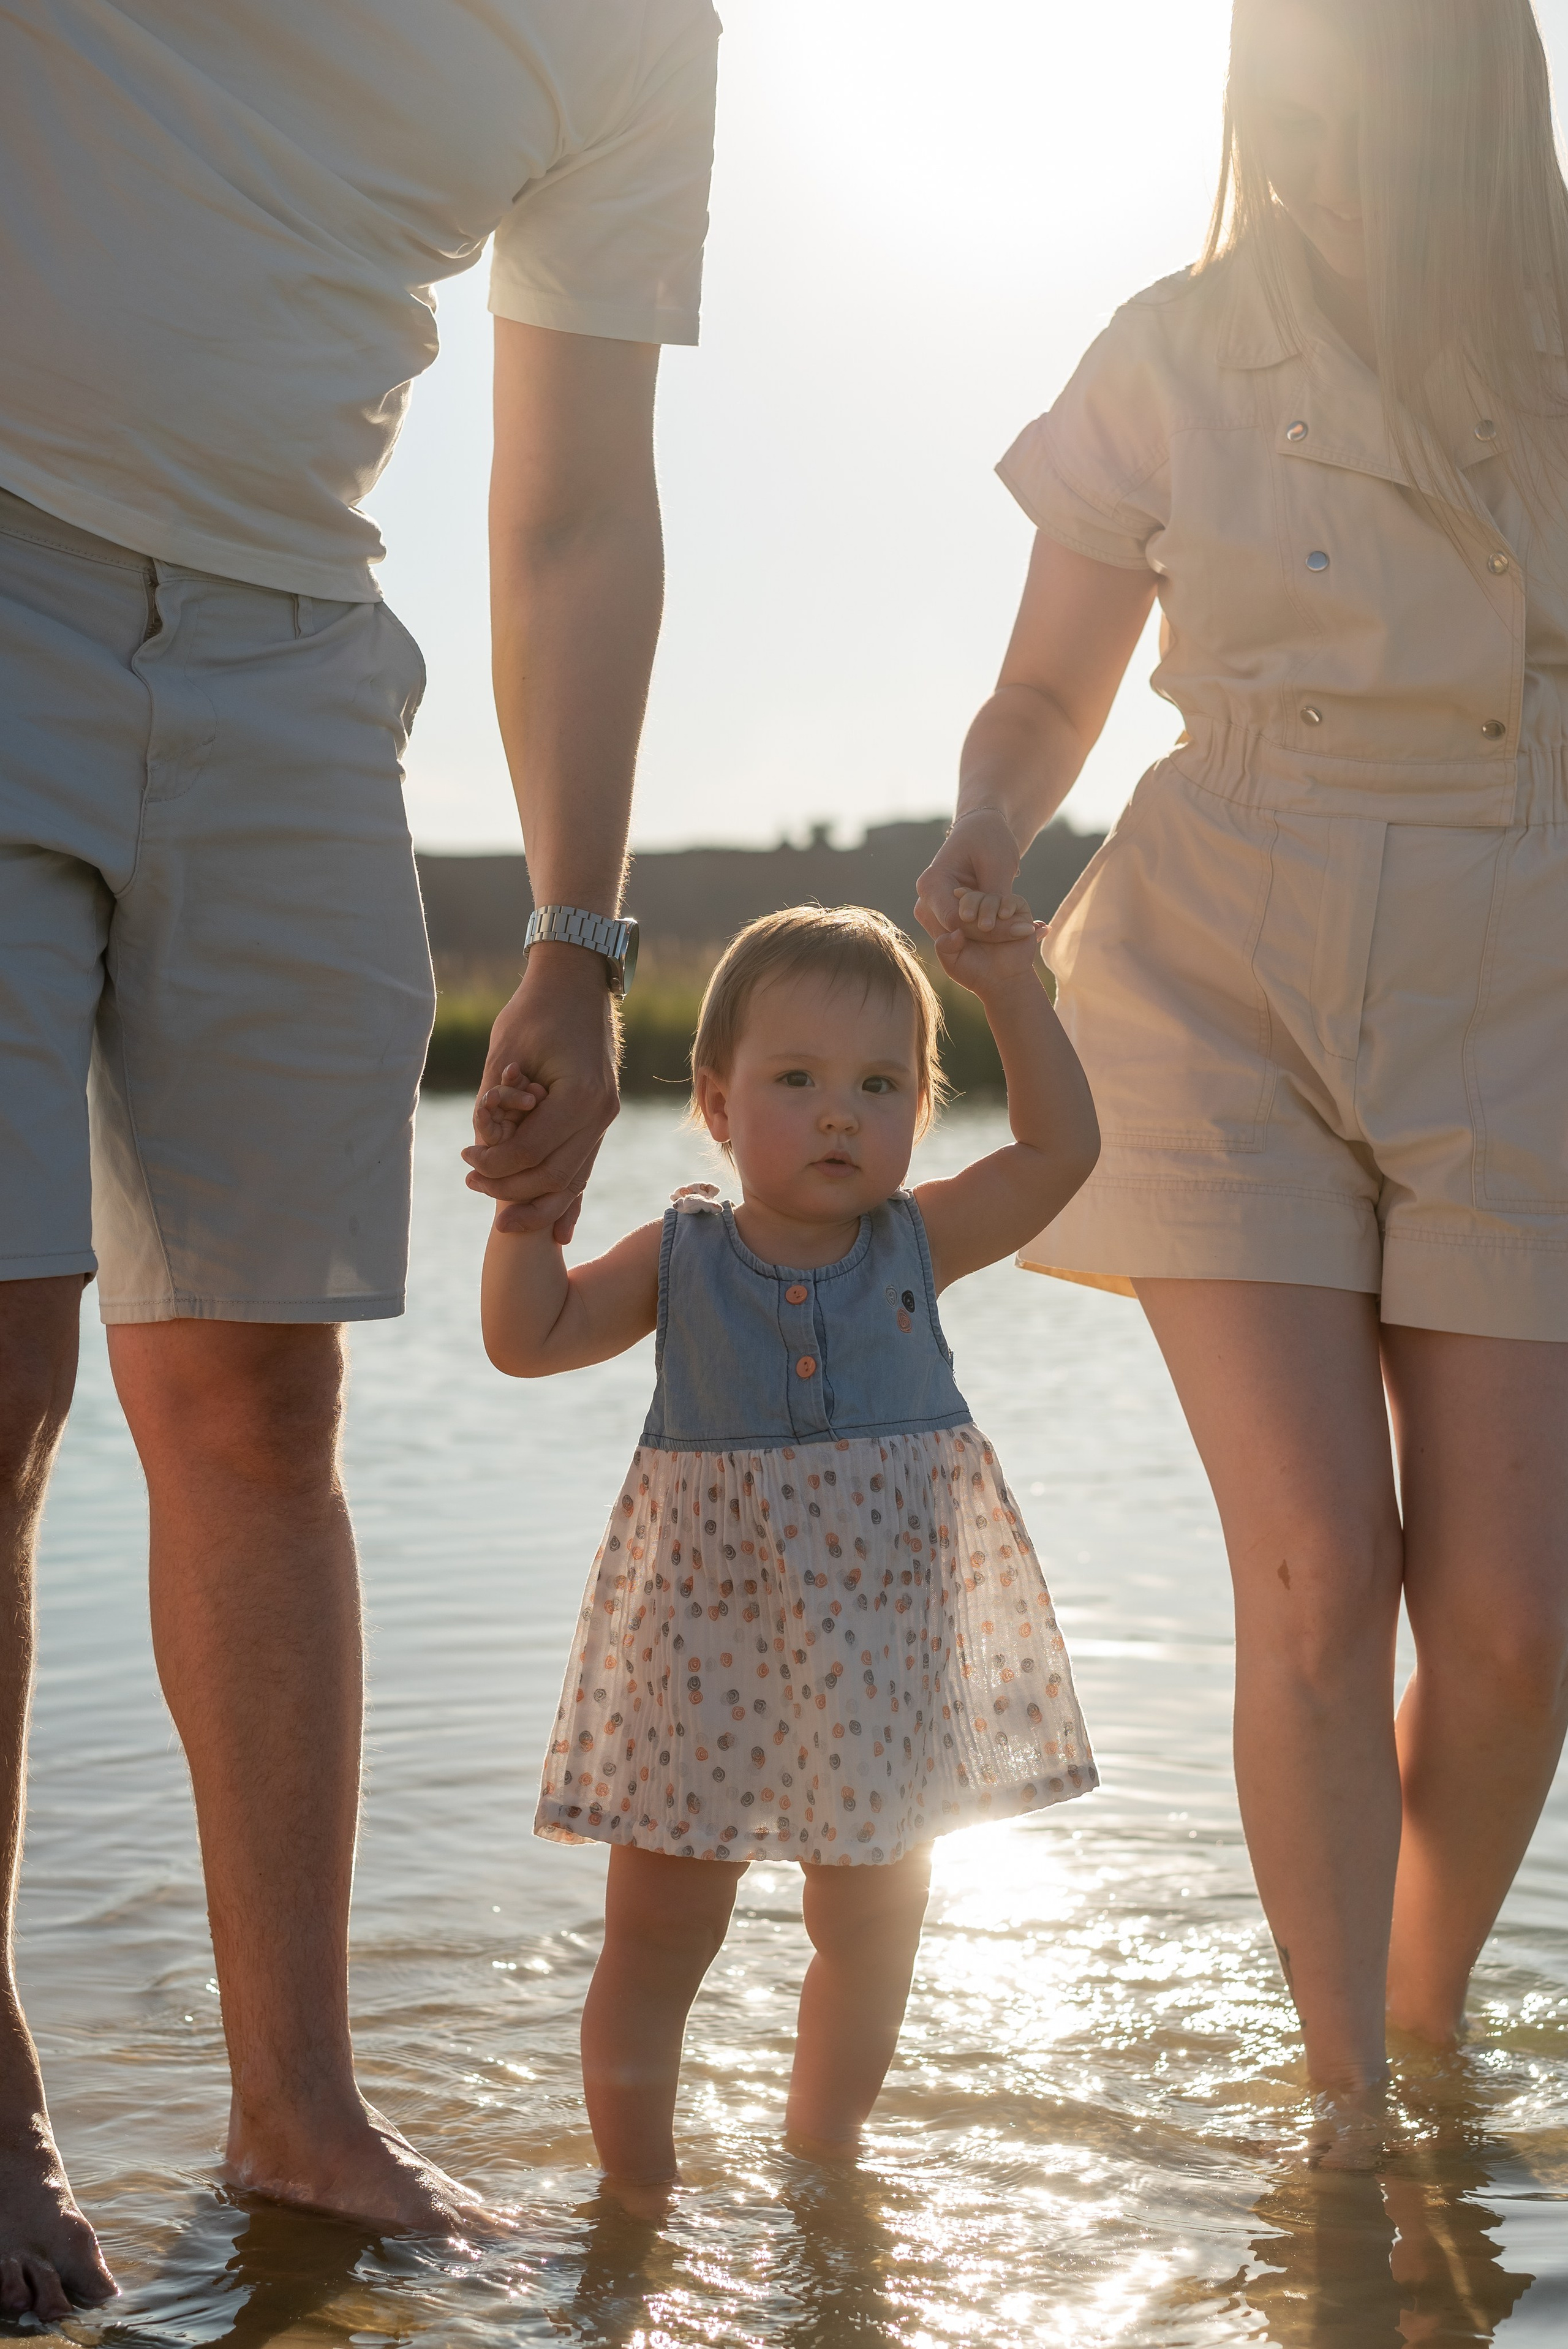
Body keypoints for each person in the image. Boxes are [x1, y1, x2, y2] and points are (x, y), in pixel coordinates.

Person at [0, 0, 718, 2318]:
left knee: (256, 1401)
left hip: (294, 652)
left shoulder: (638, 35)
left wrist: (581, 941)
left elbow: (577, 499)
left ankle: (293, 2101)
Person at [918, 0, 1568, 2153]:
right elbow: (1039, 682)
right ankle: (1350, 2098)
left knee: (1509, 1628)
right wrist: (993, 825)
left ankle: (1419, 1993)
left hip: (1530, 970)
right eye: (1282, 100)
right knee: (1317, 1571)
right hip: (1220, 973)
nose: (1313, 145)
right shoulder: (1172, 347)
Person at [475, 904, 1101, 2206]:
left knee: (869, 1929)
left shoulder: (915, 1247)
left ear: (920, 1111)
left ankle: (823, 2164)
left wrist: (1008, 986)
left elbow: (1060, 1146)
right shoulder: (685, 1254)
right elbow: (528, 1338)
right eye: (796, 1080)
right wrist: (527, 1209)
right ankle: (632, 2195)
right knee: (658, 1933)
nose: (838, 1116)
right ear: (714, 1099)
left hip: (879, 1668)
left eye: (878, 1086)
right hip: (697, 1665)